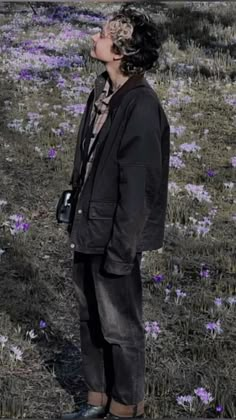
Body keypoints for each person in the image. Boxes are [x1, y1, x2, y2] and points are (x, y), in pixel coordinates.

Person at [62, 4, 170, 420]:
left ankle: (125, 407)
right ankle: (96, 399)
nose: (95, 38)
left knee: (121, 328)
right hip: (89, 224)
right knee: (90, 316)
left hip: (115, 236)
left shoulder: (140, 105)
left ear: (122, 50)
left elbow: (139, 189)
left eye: (105, 34)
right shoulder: (102, 92)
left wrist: (123, 250)